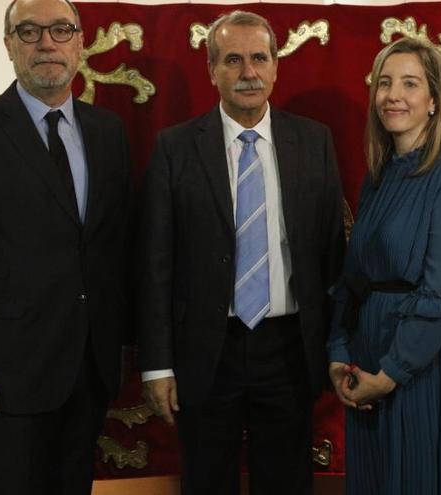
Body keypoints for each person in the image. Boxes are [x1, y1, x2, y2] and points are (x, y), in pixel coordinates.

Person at [0, 0, 132, 492]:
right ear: (9, 46)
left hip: (88, 367)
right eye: (30, 31)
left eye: (61, 30)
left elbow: (116, 247)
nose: (47, 43)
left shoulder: (108, 132)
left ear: (80, 42)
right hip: (6, 374)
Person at [135, 10, 345, 495]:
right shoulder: (176, 147)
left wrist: (338, 347)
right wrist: (158, 364)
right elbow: (154, 265)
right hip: (207, 349)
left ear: (275, 67)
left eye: (258, 58)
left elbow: (332, 255)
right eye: (233, 60)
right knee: (207, 481)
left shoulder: (314, 142)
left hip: (290, 349)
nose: (248, 72)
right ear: (212, 70)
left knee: (287, 482)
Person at [327, 37, 441, 495]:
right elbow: (353, 279)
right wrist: (339, 353)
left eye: (410, 84)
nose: (393, 95)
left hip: (424, 365)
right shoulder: (379, 177)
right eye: (385, 83)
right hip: (370, 359)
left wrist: (392, 372)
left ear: (434, 100)